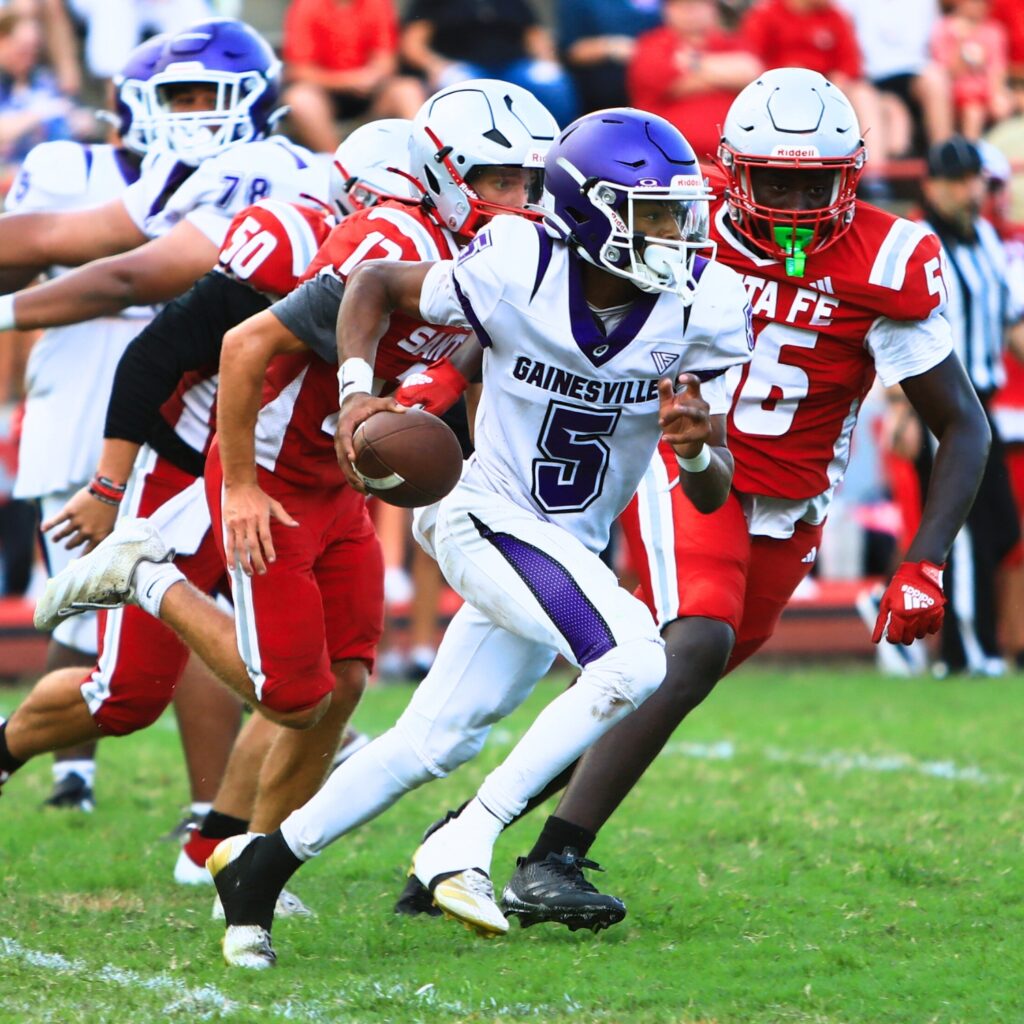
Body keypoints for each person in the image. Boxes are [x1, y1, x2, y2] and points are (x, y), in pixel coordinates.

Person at [421, 67, 989, 931]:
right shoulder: (672, 214)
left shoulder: (889, 258)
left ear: (851, 176)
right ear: (732, 169)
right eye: (774, 182)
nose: (794, 204)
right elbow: (532, 303)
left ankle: (463, 832)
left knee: (656, 681)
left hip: (792, 500)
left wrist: (924, 560)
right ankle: (550, 859)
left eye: (816, 185)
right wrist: (443, 380)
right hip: (685, 461)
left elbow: (962, 423)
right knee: (692, 642)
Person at [194, 106, 757, 968]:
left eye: (678, 214)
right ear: (588, 211)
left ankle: (258, 870)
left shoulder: (704, 306)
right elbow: (373, 284)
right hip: (481, 511)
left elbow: (714, 492)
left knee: (434, 741)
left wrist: (696, 448)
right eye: (651, 214)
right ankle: (467, 838)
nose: (674, 234)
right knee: (635, 658)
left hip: (563, 546)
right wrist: (356, 393)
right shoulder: (517, 263)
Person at [25, 83, 561, 935]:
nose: (520, 198)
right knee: (289, 697)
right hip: (272, 472)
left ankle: (251, 865)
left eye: (530, 180)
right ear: (443, 174)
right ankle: (146, 576)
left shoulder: (491, 249)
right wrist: (236, 485)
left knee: (345, 684)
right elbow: (240, 345)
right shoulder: (389, 240)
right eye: (500, 179)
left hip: (338, 481)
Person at [0, 18, 327, 811]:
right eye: (175, 97)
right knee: (140, 672)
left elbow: (128, 279)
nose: (190, 113)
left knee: (301, 660)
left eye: (204, 95)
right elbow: (78, 242)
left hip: (275, 435)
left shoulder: (268, 170)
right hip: (200, 438)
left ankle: (220, 827)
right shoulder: (207, 171)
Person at [2, 34, 164, 812]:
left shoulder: (235, 173)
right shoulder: (69, 164)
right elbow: (14, 264)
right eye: (176, 98)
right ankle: (74, 771)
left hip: (177, 381)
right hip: (78, 379)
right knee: (78, 592)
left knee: (184, 584)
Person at [889, 135, 1022, 675]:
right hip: (940, 401)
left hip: (983, 401)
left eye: (976, 180)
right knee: (962, 532)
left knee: (1001, 528)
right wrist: (901, 409)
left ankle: (970, 643)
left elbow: (1010, 322)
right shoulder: (919, 242)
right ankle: (966, 655)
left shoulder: (987, 238)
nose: (971, 191)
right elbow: (895, 329)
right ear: (933, 185)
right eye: (960, 181)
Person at [400, 0, 577, 127]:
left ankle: (558, 144)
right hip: (462, 67)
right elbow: (413, 43)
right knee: (460, 87)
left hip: (514, 65)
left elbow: (534, 34)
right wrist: (435, 65)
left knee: (550, 79)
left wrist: (547, 59)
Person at [626, 0, 762, 163]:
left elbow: (752, 73)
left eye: (698, 4)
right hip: (669, 159)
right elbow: (666, 82)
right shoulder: (651, 44)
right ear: (667, 10)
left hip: (733, 159)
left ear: (713, 8)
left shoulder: (732, 41)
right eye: (681, 6)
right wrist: (725, 76)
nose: (690, 12)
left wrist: (693, 63)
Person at [281, 0, 423, 153]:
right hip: (324, 95)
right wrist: (349, 81)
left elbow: (386, 59)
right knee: (300, 99)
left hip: (372, 93)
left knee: (408, 90)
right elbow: (298, 70)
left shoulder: (378, 4)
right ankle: (336, 161)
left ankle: (419, 156)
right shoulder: (306, 6)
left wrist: (371, 76)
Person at [555, 0, 661, 114]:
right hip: (601, 94)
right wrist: (611, 46)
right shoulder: (581, 3)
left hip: (654, 89)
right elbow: (571, 51)